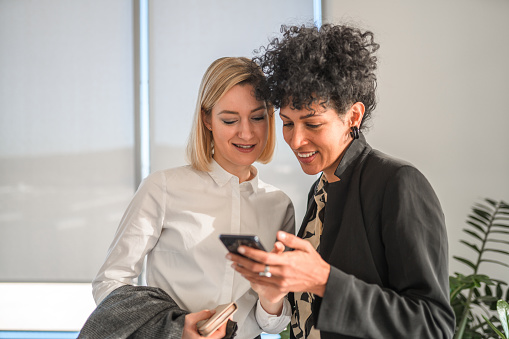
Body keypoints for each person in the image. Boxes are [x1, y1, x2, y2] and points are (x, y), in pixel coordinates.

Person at [227, 24, 456, 338]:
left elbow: (433, 325)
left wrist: (323, 279)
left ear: (353, 116)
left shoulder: (398, 183)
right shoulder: (319, 193)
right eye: (287, 123)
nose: (295, 140)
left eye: (313, 124)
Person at [90, 57, 295, 339]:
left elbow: (273, 325)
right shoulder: (162, 188)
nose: (246, 132)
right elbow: (109, 282)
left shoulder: (279, 205)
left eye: (257, 117)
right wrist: (173, 327)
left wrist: (271, 299)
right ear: (207, 119)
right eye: (230, 119)